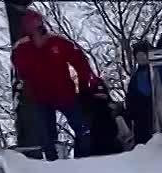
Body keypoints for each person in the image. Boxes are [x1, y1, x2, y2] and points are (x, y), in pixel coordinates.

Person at [10, 9, 99, 160]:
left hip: (65, 93)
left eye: (38, 26)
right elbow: (20, 70)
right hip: (41, 96)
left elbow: (80, 60)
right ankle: (53, 163)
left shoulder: (58, 42)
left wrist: (85, 83)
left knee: (82, 127)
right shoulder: (22, 48)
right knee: (46, 134)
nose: (37, 32)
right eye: (33, 27)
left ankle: (85, 158)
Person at [123, 41, 162, 148]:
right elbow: (131, 97)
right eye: (138, 56)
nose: (141, 58)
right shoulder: (136, 77)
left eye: (143, 55)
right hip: (143, 118)